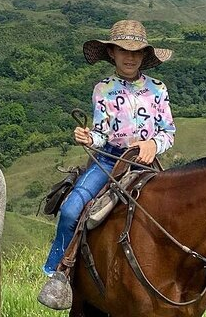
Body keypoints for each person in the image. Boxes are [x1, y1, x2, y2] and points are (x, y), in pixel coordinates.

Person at [38, 19, 176, 309]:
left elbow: (168, 132)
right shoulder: (103, 88)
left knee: (184, 212)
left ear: (144, 56)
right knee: (72, 207)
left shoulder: (158, 89)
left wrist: (153, 144)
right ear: (111, 53)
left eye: (136, 52)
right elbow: (102, 133)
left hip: (148, 162)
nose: (130, 57)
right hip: (109, 159)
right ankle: (59, 271)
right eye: (123, 50)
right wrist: (89, 138)